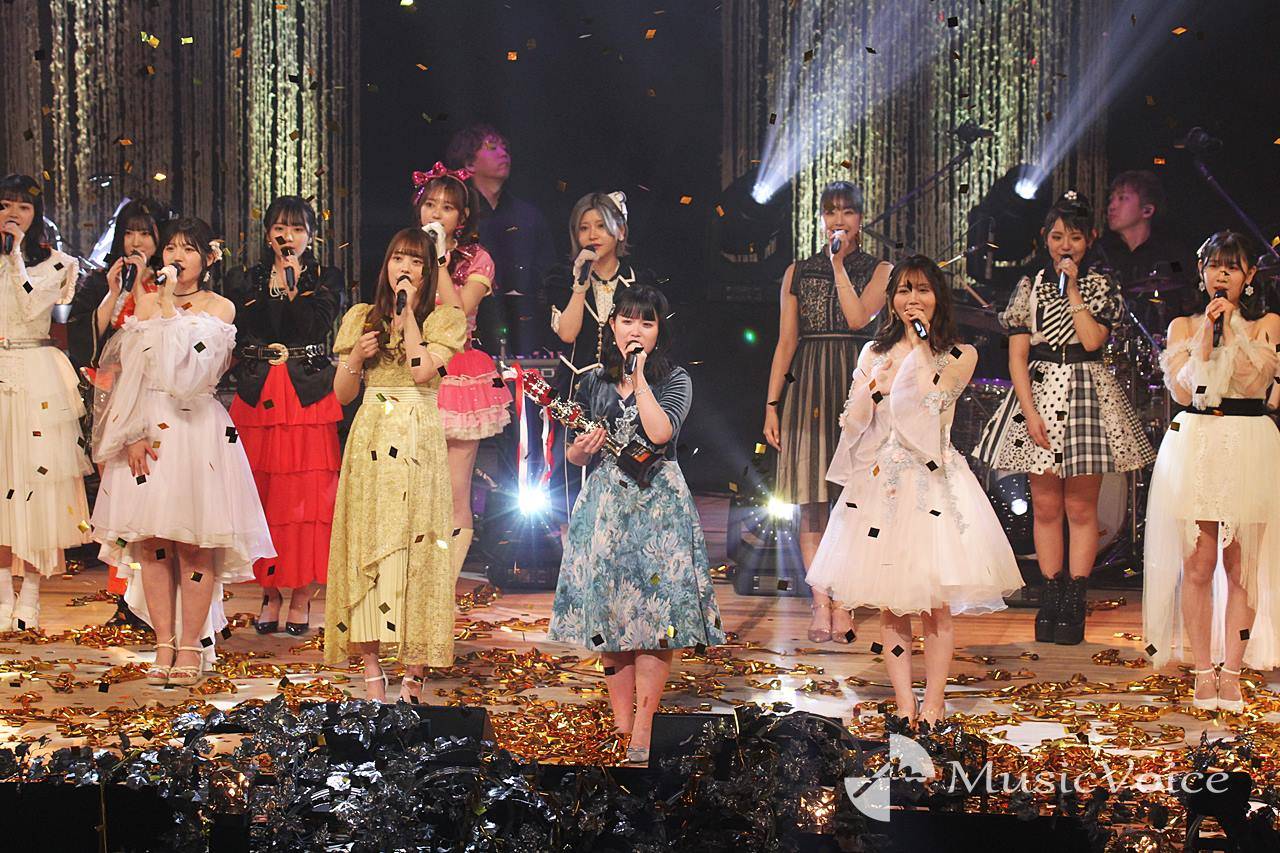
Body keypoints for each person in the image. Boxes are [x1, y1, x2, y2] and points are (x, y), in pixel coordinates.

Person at [805, 256, 1021, 725]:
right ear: (892, 300)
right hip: (883, 486)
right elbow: (853, 421)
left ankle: (935, 700)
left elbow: (930, 402)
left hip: (935, 483)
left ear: (938, 297)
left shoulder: (960, 354)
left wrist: (920, 346)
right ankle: (905, 702)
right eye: (904, 290)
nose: (913, 299)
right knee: (892, 603)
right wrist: (871, 388)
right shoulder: (872, 353)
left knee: (936, 605)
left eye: (922, 290)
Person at [90, 217, 274, 686]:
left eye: (189, 249)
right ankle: (163, 644)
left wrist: (168, 306)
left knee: (194, 543)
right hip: (149, 427)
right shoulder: (144, 304)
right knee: (152, 542)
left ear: (207, 259)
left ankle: (191, 644)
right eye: (171, 247)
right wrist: (130, 432)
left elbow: (191, 375)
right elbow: (127, 375)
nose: (177, 256)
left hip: (196, 431)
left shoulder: (220, 308)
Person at [547, 284, 724, 763]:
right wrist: (579, 449)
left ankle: (643, 729)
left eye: (647, 322)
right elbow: (572, 454)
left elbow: (661, 432)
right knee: (610, 616)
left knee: (655, 619)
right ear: (611, 326)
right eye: (627, 320)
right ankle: (621, 727)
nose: (636, 330)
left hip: (658, 506)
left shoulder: (676, 379)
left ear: (659, 331)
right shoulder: (591, 381)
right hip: (606, 505)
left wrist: (640, 378)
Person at [974, 191, 1156, 645]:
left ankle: (1076, 598)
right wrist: (1028, 411)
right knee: (1046, 506)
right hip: (1039, 392)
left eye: (1074, 237)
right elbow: (1017, 356)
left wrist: (1073, 289)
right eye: (1057, 237)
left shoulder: (1100, 286)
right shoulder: (1030, 285)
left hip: (1086, 392)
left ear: (1089, 239)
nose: (1065, 245)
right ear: (1045, 239)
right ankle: (1050, 594)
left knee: (1080, 507)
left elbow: (1092, 341)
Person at [323, 228, 467, 702]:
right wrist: (355, 358)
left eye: (416, 261)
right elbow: (342, 395)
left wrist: (408, 321)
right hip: (371, 435)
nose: (404, 268)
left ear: (428, 271)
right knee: (367, 542)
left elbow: (422, 371)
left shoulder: (445, 320)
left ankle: (414, 673)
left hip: (417, 435)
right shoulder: (361, 317)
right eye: (398, 258)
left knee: (417, 546)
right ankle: (371, 671)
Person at [1143, 231, 1280, 712]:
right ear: (1201, 273)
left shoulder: (1266, 324)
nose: (1222, 274)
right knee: (1198, 564)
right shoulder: (1183, 325)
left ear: (1249, 275)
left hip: (1248, 441)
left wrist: (1233, 328)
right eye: (1214, 265)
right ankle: (1203, 670)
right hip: (1198, 440)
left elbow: (1255, 381)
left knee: (1242, 566)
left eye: (1232, 266)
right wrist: (1207, 330)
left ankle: (1233, 672)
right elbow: (1185, 391)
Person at [762, 181, 891, 644]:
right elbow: (786, 342)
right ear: (820, 219)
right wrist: (772, 404)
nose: (839, 220)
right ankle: (821, 602)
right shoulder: (797, 271)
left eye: (848, 212)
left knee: (852, 502)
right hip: (808, 385)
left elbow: (859, 319)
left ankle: (847, 602)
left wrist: (837, 266)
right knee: (811, 502)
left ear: (861, 219)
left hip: (857, 383)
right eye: (831, 212)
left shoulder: (880, 270)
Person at [225, 196, 344, 637]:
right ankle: (269, 593)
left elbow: (314, 328)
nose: (286, 236)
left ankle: (301, 596)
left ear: (310, 236)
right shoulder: (245, 278)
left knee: (306, 500)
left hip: (306, 395)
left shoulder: (324, 277)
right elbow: (245, 329)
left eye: (296, 229)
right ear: (268, 234)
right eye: (279, 228)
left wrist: (295, 286)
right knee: (263, 495)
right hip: (259, 394)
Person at [66, 196, 165, 627]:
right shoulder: (100, 281)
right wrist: (114, 291)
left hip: (156, 404)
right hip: (111, 403)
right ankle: (125, 596)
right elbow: (87, 343)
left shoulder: (169, 280)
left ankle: (155, 600)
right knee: (119, 498)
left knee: (153, 499)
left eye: (145, 233)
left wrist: (144, 285)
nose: (137, 241)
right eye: (130, 233)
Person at [0, 173, 92, 630]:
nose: (12, 214)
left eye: (23, 206)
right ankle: (2, 593)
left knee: (37, 484)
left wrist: (15, 253)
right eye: (4, 205)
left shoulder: (58, 264)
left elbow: (31, 306)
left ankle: (31, 594)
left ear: (36, 214)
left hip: (37, 374)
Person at [412, 165, 512, 575]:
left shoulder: (478, 260)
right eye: (429, 204)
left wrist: (439, 262)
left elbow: (457, 314)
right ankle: (414, 581)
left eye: (447, 207)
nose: (436, 213)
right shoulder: (406, 252)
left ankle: (444, 585)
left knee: (454, 490)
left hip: (457, 373)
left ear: (463, 216)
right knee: (414, 490)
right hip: (411, 370)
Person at [547, 191, 656, 522]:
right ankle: (572, 549)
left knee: (625, 477)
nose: (592, 235)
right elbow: (568, 333)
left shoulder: (639, 280)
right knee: (570, 481)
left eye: (601, 226)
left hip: (625, 389)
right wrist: (579, 284)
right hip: (576, 390)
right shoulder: (562, 277)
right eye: (584, 228)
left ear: (620, 231)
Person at [445, 124, 556, 357]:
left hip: (525, 330)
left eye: (505, 148)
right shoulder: (455, 215)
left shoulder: (528, 216)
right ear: (469, 163)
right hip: (465, 329)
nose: (504, 153)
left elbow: (548, 270)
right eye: (492, 147)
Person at [1098, 170, 1197, 309]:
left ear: (1147, 210)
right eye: (1111, 199)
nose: (1111, 207)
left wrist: (1166, 269)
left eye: (1122, 198)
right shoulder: (1102, 252)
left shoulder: (1171, 255)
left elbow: (1182, 269)